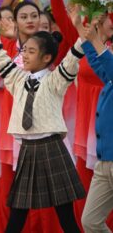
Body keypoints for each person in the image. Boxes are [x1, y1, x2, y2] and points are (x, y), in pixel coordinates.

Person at [0, 0, 86, 232]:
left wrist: (81, 26)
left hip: (52, 148)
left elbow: (75, 54)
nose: (25, 56)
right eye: (25, 50)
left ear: (47, 58)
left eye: (31, 51)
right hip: (27, 150)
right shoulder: (17, 79)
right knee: (17, 216)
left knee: (66, 217)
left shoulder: (56, 79)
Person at [78, 16, 113, 233]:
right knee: (90, 221)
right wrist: (79, 28)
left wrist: (96, 40)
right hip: (105, 161)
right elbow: (98, 64)